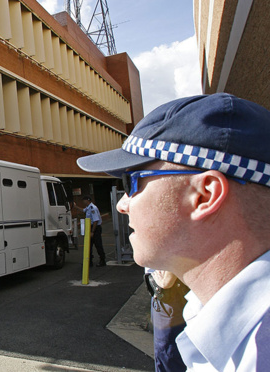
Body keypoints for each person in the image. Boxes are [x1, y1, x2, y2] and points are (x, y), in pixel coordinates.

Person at [76, 93, 270, 370]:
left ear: (204, 195)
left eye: (133, 182)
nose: (121, 205)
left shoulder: (259, 354)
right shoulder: (205, 313)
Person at [145, 269, 189, 371]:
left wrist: (166, 281)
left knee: (168, 353)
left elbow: (178, 253)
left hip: (171, 293)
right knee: (169, 351)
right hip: (170, 290)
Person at [73, 196, 106, 266]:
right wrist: (75, 207)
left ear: (87, 200)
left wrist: (92, 231)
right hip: (89, 227)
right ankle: (89, 261)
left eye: (84, 200)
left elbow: (95, 221)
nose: (83, 202)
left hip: (95, 228)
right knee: (89, 245)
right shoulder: (88, 207)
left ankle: (102, 260)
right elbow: (83, 210)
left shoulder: (92, 208)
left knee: (98, 244)